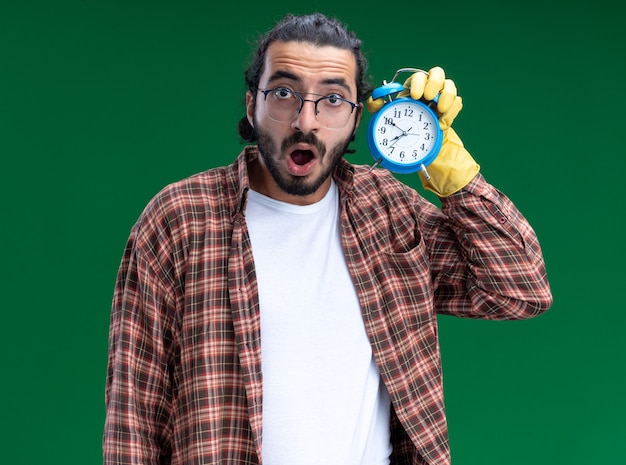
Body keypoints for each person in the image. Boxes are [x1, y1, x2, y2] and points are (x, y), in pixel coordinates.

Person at [103, 12, 552, 465]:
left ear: (359, 117)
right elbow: (133, 418)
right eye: (283, 93)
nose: (306, 121)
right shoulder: (180, 218)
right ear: (250, 104)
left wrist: (446, 163)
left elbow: (519, 289)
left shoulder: (390, 214)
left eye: (333, 99)